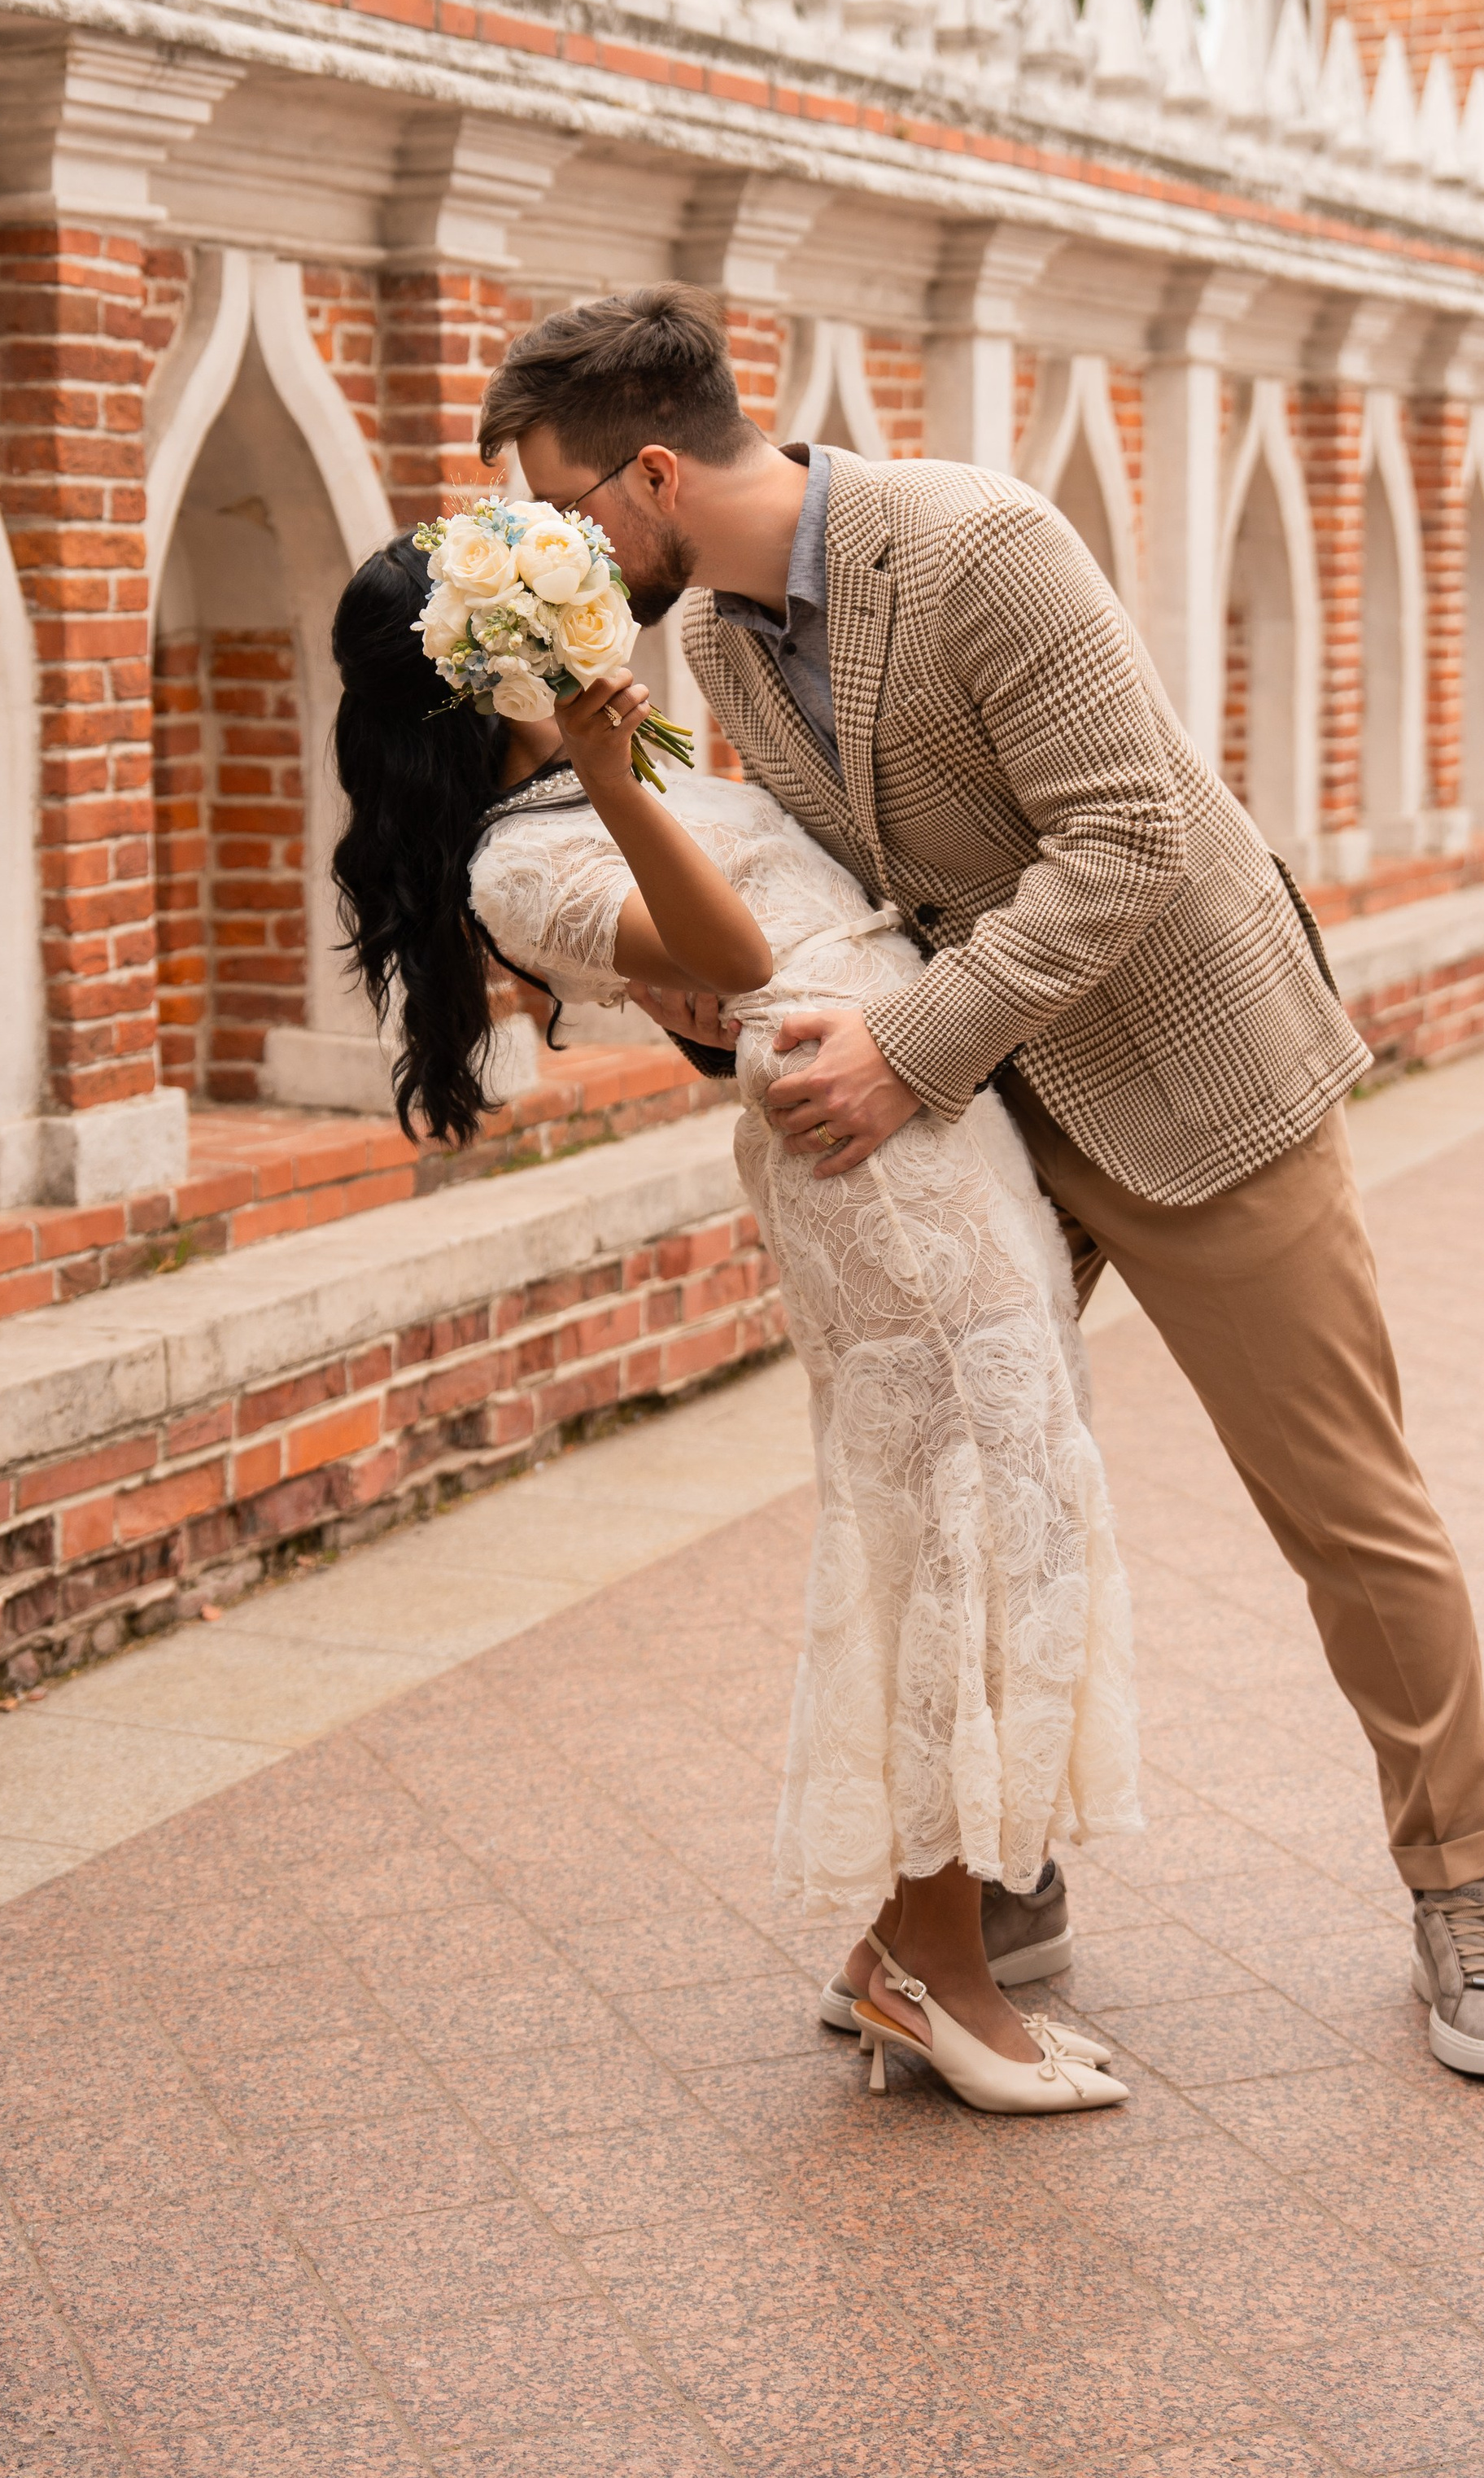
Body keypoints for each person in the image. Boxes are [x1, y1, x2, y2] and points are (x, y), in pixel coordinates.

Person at [472, 282, 1484, 2084]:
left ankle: (1459, 1890)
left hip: (1192, 1076)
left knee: (1342, 1500)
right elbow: (847, 887)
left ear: (654, 472)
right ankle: (989, 1897)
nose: (566, 551)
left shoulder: (977, 543)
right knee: (984, 1487)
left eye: (571, 510)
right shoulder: (730, 643)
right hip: (984, 1113)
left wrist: (906, 1052)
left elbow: (1126, 830)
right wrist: (693, 989)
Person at [331, 529, 1140, 2116]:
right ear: (466, 679)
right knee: (954, 1545)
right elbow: (731, 958)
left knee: (1001, 1522)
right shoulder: (520, 856)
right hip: (868, 1167)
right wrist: (613, 772)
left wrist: (625, 769)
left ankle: (902, 1957)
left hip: (912, 1097)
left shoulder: (601, 786)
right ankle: (940, 1979)